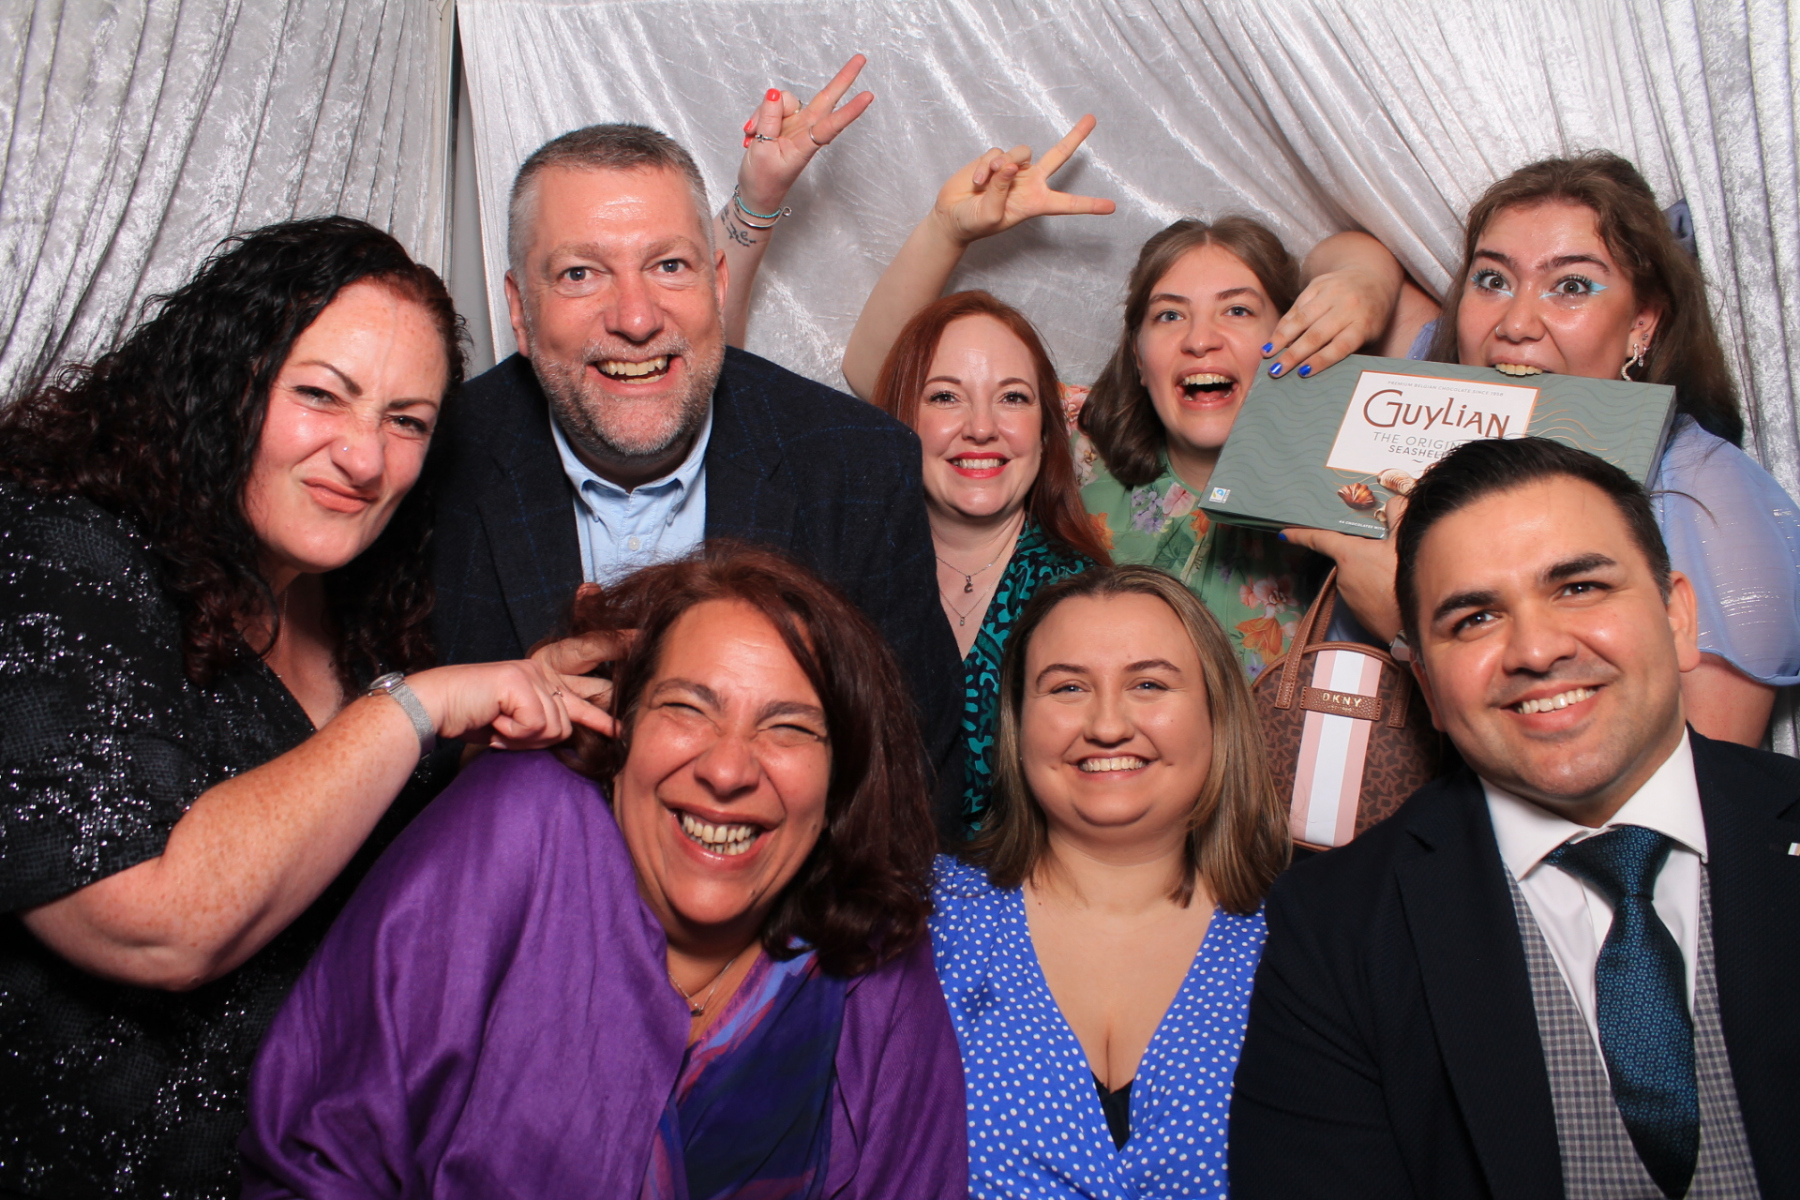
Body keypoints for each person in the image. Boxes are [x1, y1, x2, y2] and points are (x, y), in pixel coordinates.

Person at [0, 218, 608, 1200]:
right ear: (225, 383)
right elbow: (152, 917)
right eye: (321, 395)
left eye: (406, 422)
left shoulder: (363, 609)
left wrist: (507, 716)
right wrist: (422, 704)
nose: (364, 458)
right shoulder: (60, 552)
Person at [241, 544, 968, 1199]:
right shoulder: (518, 830)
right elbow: (318, 1162)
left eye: (788, 728)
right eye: (687, 708)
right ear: (620, 727)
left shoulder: (874, 967)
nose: (726, 771)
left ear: (839, 782)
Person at [1229, 437, 1799, 1200]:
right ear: (1425, 681)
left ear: (1677, 616)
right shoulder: (1334, 928)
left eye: (1579, 588)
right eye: (1474, 618)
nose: (1534, 650)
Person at [430, 120, 963, 815]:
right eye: (580, 273)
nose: (635, 319)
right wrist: (491, 741)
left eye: (669, 266)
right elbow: (373, 759)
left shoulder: (856, 466)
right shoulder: (430, 463)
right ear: (520, 313)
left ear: (717, 282)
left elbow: (917, 775)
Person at [839, 119, 1426, 676]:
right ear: (1140, 359)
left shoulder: (1351, 480)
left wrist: (1364, 280)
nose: (1200, 339)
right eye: (1169, 315)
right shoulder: (1080, 443)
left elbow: (1407, 309)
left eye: (1238, 310)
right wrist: (946, 230)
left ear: (1295, 329)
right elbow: (881, 377)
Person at [1289, 152, 1800, 745]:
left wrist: (1411, 620)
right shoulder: (1432, 390)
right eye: (1493, 280)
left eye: (1572, 286)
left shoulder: (1711, 498)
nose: (1516, 322)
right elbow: (1340, 250)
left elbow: (1704, 782)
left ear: (1642, 321)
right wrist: (1363, 282)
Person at [932, 565, 1289, 1198]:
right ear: (1017, 724)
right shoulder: (921, 923)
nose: (1106, 725)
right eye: (1067, 687)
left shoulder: (1309, 940)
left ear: (1217, 714)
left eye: (1149, 684)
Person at [871, 290, 1109, 830]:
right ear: (899, 422)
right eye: (945, 397)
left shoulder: (1086, 601)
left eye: (1013, 398)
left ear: (1046, 433)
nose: (981, 427)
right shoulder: (848, 581)